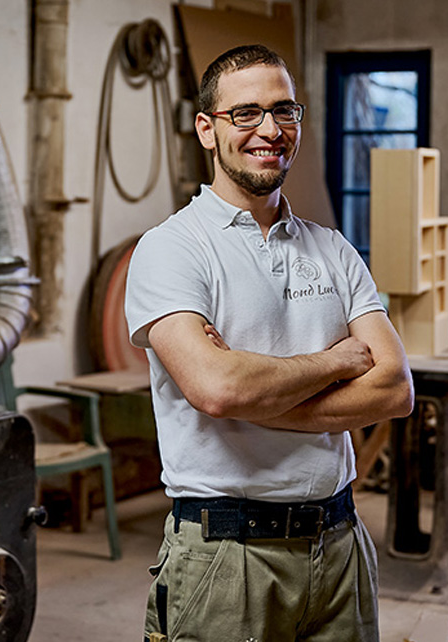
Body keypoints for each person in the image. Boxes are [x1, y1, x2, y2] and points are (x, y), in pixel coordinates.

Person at [125, 43, 414, 642]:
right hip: (228, 556)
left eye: (284, 111)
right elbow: (217, 387)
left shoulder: (333, 249)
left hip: (339, 546)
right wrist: (336, 361)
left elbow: (393, 389)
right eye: (245, 114)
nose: (269, 130)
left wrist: (262, 398)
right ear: (207, 129)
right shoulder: (172, 248)